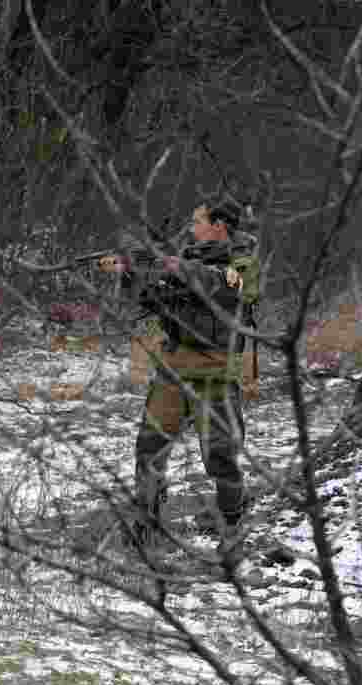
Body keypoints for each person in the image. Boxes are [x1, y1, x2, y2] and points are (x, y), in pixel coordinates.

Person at [96, 200, 259, 557]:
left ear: (220, 225)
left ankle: (232, 529)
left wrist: (168, 263)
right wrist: (129, 272)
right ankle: (148, 525)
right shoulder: (184, 259)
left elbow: (219, 285)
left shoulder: (241, 260)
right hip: (173, 369)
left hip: (214, 374)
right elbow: (152, 300)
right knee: (149, 448)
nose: (191, 226)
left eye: (198, 220)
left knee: (220, 454)